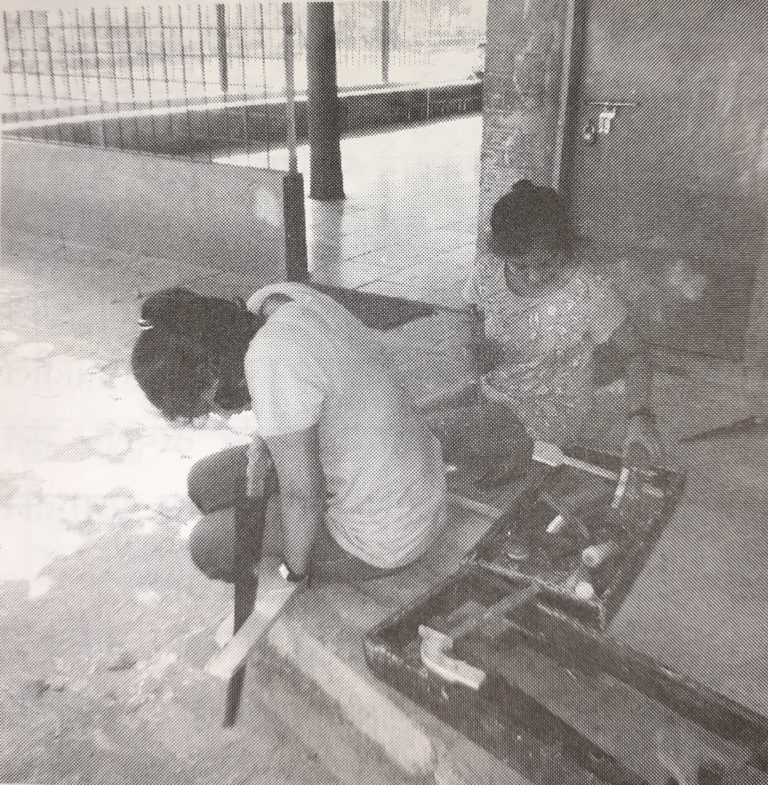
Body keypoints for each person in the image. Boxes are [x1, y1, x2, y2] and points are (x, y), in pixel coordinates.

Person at [131, 284, 448, 586]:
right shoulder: (270, 303)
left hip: (387, 532)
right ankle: (277, 518)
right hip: (400, 478)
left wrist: (293, 571)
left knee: (209, 546)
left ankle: (302, 543)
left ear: (213, 377)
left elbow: (304, 498)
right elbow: (308, 393)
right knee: (204, 482)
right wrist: (268, 442)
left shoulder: (272, 361)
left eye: (208, 404)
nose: (219, 413)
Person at [422, 179, 664, 472]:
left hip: (549, 412)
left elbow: (636, 353)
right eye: (520, 266)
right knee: (404, 418)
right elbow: (472, 311)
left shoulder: (589, 292)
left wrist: (640, 418)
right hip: (491, 391)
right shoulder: (488, 271)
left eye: (546, 263)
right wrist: (475, 343)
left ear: (564, 248)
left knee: (427, 434)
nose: (534, 277)